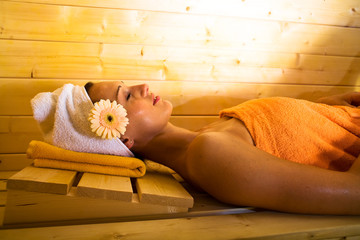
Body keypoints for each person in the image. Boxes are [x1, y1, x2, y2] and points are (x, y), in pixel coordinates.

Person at [33, 80, 360, 215]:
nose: (143, 86)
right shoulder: (212, 156)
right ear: (122, 139)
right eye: (127, 96)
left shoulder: (207, 137)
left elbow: (289, 138)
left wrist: (324, 109)